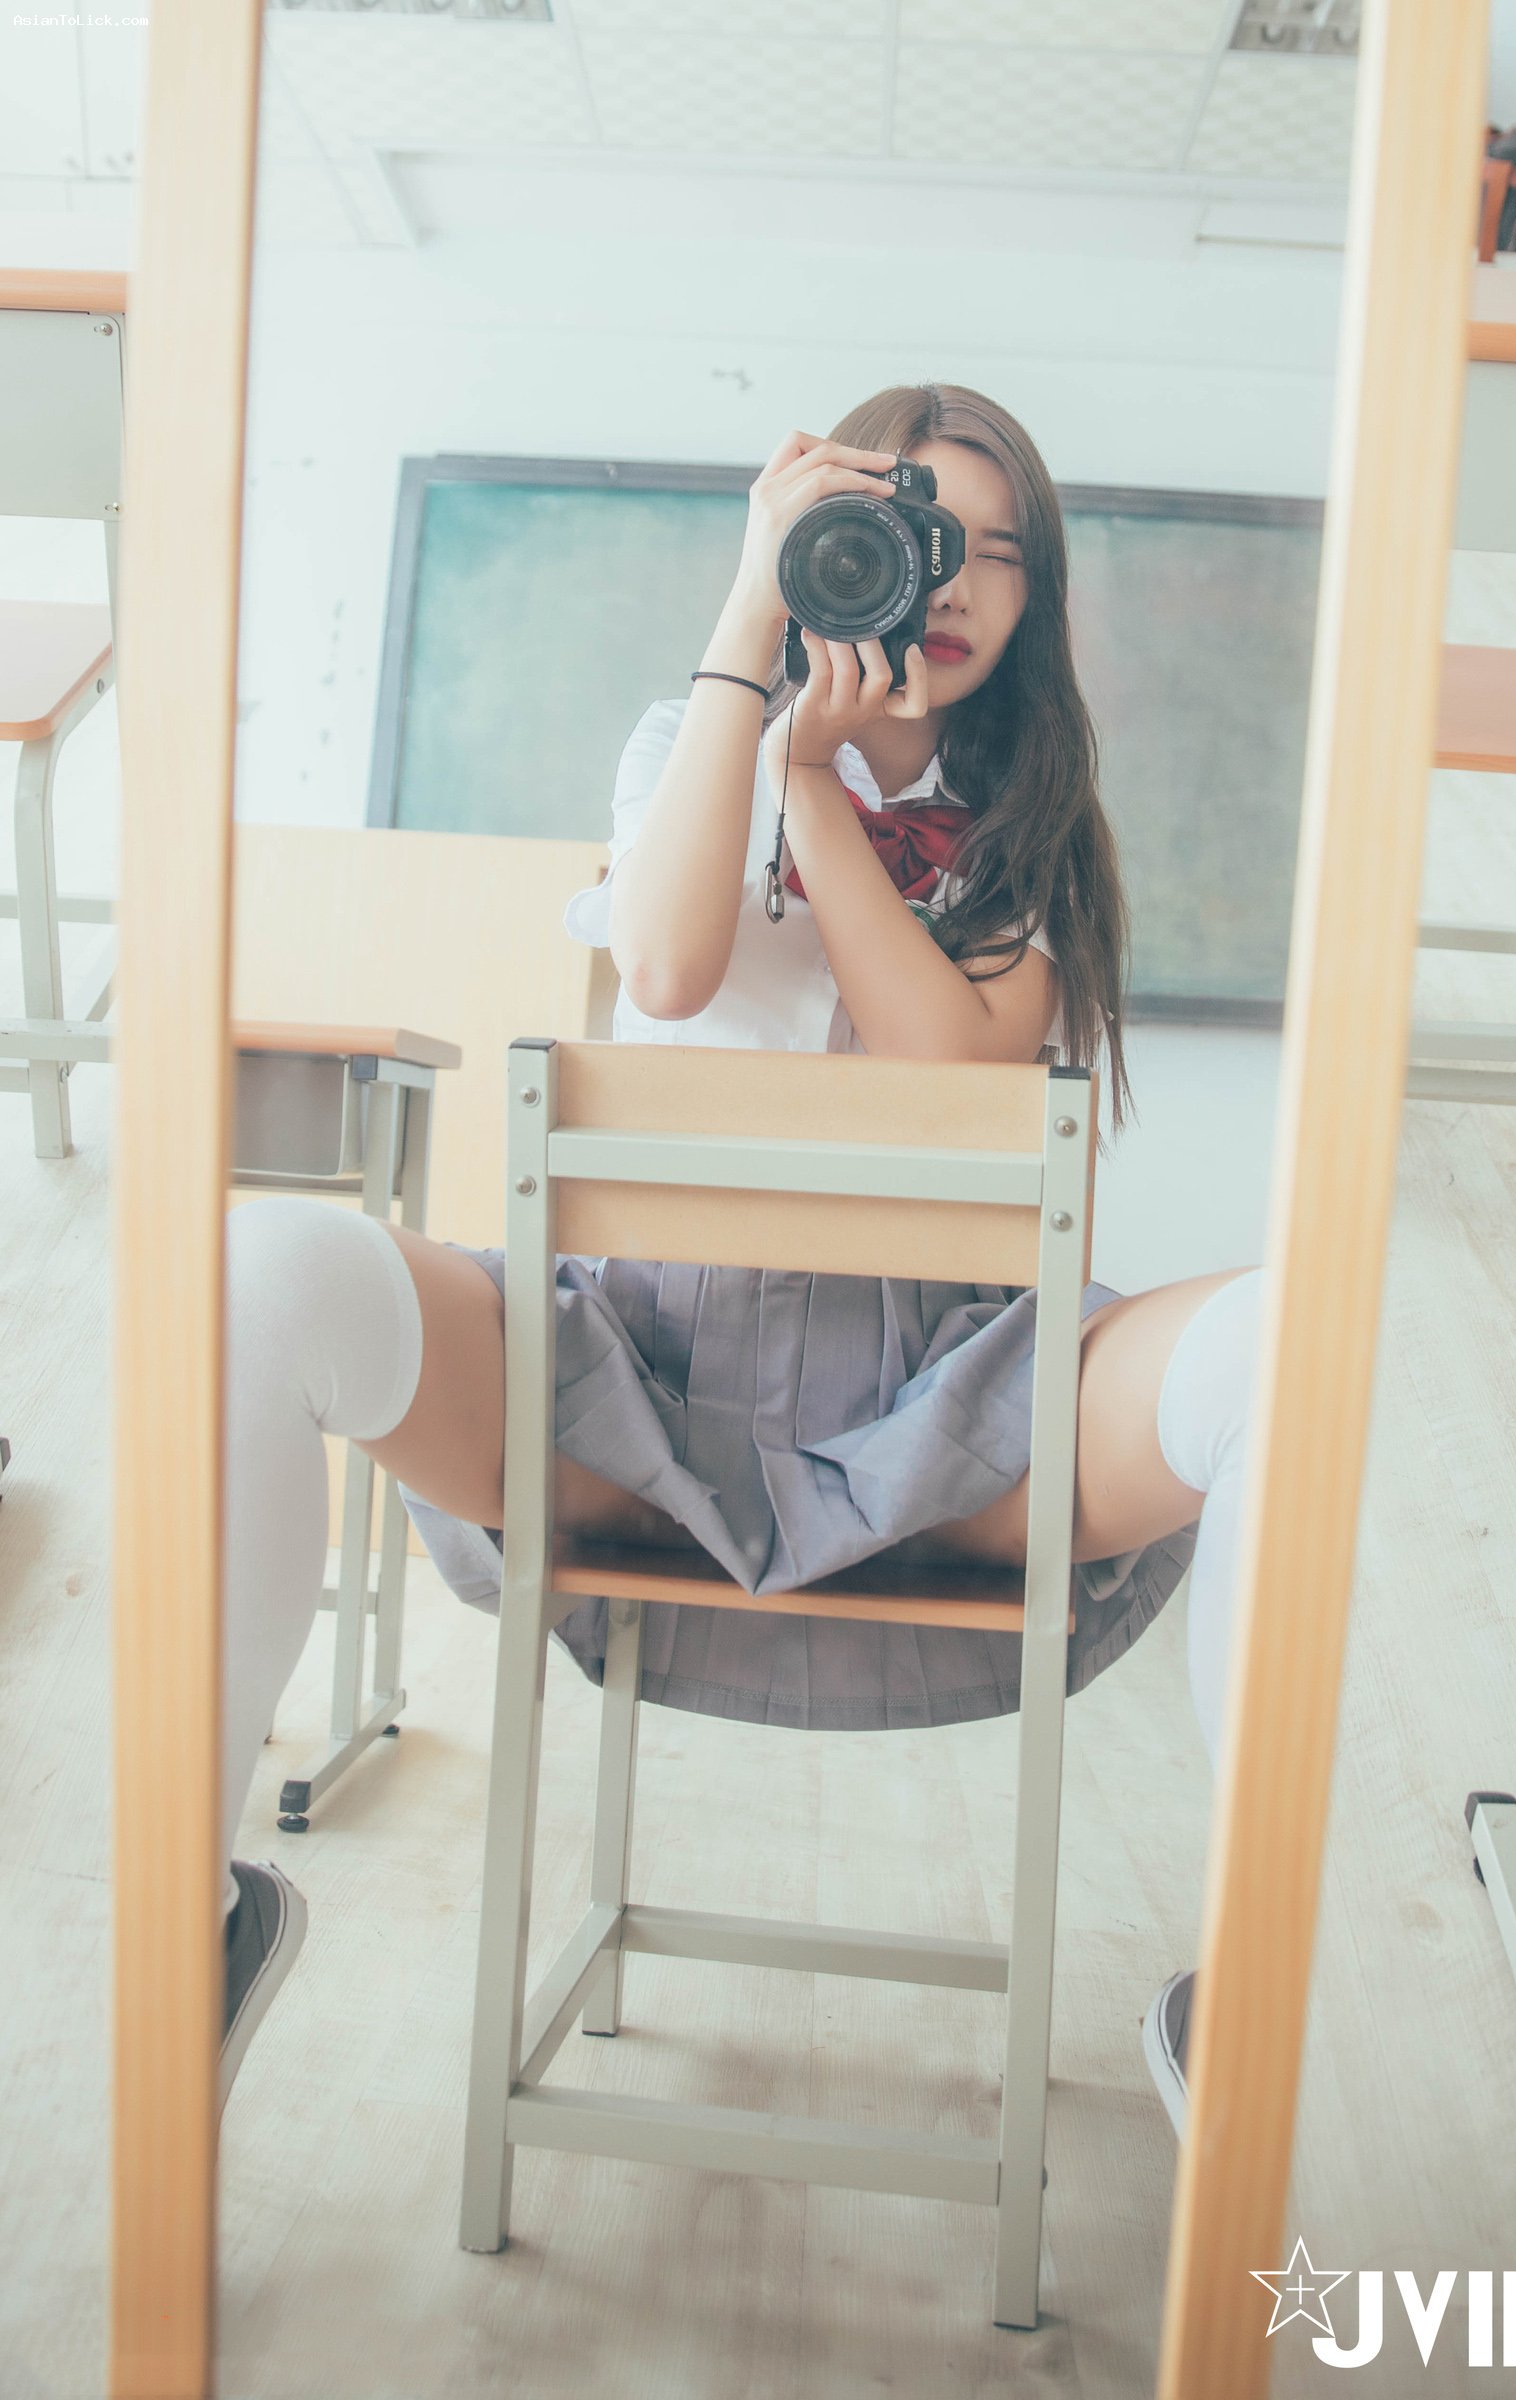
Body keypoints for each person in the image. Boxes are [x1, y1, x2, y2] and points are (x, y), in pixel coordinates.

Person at [219, 384, 1265, 2140]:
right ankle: (200, 1921)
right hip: (633, 1386)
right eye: (909, 532)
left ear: (1037, 598)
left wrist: (817, 795)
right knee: (261, 1268)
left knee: (1304, 1342)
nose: (947, 581)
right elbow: (671, 965)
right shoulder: (682, 735)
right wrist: (748, 633)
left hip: (958, 1415)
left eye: (996, 552)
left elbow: (942, 1071)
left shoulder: (1035, 825)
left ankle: (1259, 1998)